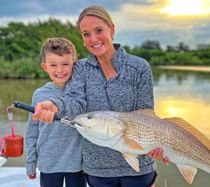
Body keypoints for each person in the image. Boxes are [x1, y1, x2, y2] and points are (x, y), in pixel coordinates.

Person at [33, 6, 168, 187]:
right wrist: (55, 105)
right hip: (97, 169)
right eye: (86, 34)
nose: (93, 39)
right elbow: (75, 102)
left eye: (99, 30)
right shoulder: (80, 69)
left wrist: (157, 147)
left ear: (111, 29)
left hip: (139, 167)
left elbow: (147, 115)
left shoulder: (139, 67)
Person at [25, 37, 86, 187]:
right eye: (53, 65)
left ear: (75, 64)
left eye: (65, 64)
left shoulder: (82, 93)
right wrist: (31, 161)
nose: (60, 70)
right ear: (45, 67)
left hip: (78, 165)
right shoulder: (39, 94)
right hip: (49, 164)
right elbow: (32, 132)